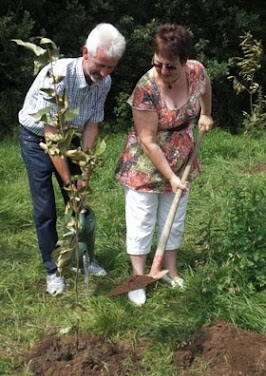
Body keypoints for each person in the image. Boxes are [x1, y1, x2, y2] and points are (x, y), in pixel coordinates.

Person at [19, 23, 126, 295]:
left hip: (70, 138)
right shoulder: (56, 76)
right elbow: (51, 135)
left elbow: (91, 124)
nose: (104, 73)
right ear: (85, 52)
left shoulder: (105, 82)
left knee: (80, 202)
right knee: (45, 207)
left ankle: (82, 260)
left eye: (110, 67)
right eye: (100, 65)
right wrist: (68, 182)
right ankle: (53, 269)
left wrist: (84, 175)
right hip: (37, 139)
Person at [116, 23, 213, 305]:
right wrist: (170, 177)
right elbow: (148, 139)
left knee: (174, 217)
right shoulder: (145, 90)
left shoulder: (195, 70)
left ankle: (169, 270)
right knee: (142, 221)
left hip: (182, 156)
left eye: (170, 66)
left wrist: (206, 113)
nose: (163, 71)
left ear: (184, 61)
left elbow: (206, 86)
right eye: (158, 64)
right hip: (145, 164)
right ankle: (138, 278)